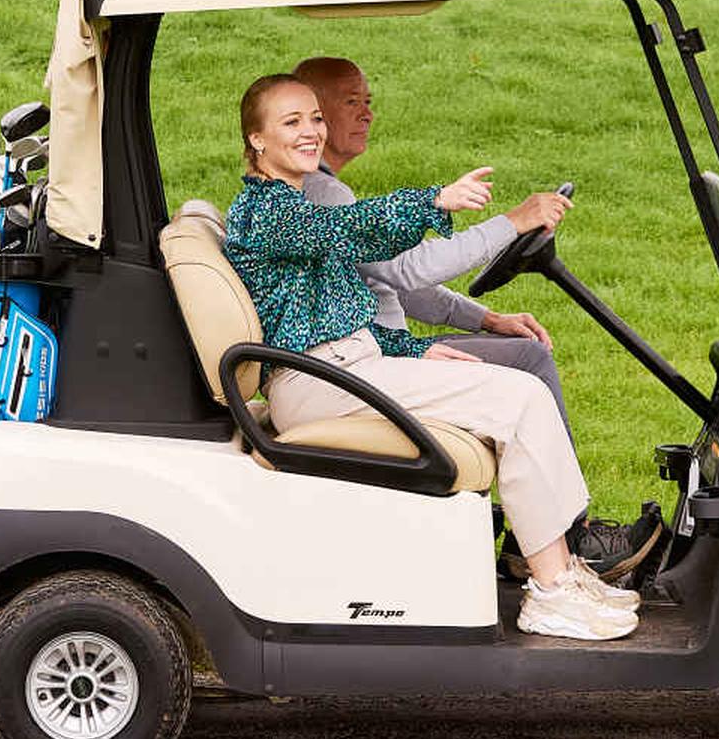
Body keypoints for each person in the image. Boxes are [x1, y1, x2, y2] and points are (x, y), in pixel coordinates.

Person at [222, 73, 634, 643]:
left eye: (315, 118)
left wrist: (419, 349)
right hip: (322, 383)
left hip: (345, 370)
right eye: (292, 122)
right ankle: (552, 589)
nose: (312, 131)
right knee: (521, 400)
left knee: (511, 388)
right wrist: (434, 201)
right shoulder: (270, 212)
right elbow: (353, 229)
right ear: (257, 139)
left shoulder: (292, 206)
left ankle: (561, 569)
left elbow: (344, 309)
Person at [291, 55, 565, 408]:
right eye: (351, 102)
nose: (367, 115)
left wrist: (486, 320)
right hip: (370, 371)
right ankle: (562, 466)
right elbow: (407, 269)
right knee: (531, 360)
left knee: (522, 353)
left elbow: (387, 280)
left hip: (375, 358)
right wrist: (512, 223)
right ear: (315, 117)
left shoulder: (320, 190)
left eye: (368, 102)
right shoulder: (323, 195)